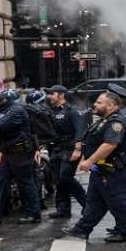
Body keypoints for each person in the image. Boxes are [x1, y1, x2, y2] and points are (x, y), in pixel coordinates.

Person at [62, 92, 126, 242]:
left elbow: (109, 145)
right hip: (101, 169)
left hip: (113, 170)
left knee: (117, 200)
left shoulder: (116, 122)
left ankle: (125, 231)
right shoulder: (104, 120)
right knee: (94, 200)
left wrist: (89, 161)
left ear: (111, 106)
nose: (95, 104)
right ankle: (82, 229)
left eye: (99, 102)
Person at [0, 91, 42, 224]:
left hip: (21, 153)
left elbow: (1, 125)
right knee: (1, 182)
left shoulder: (16, 110)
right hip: (8, 154)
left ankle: (34, 213)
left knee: (25, 183)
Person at [45, 85, 87, 219]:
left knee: (65, 177)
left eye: (52, 94)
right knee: (57, 179)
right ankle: (63, 209)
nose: (49, 96)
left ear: (61, 95)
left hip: (70, 149)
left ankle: (87, 204)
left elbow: (80, 130)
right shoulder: (52, 111)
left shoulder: (72, 111)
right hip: (56, 149)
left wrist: (77, 149)